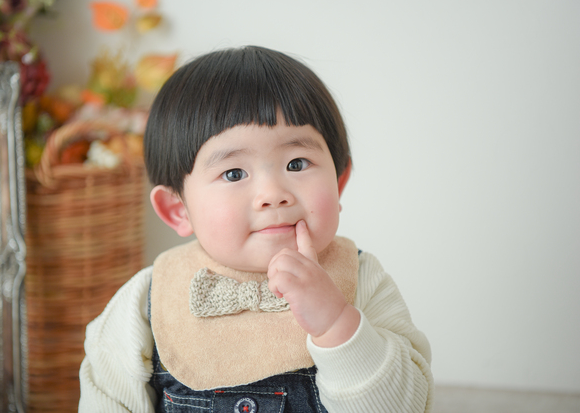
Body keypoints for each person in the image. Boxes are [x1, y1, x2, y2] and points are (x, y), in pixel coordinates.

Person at [79, 46, 433, 412]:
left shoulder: (362, 279)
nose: (273, 195)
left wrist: (336, 325)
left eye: (297, 163)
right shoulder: (145, 301)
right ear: (178, 209)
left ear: (339, 184)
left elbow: (407, 404)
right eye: (233, 173)